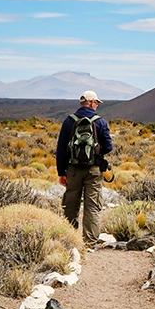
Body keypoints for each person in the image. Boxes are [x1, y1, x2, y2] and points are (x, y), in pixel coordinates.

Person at [56, 90, 113, 245]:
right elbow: (108, 146)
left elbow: (61, 149)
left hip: (72, 170)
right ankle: (89, 243)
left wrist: (62, 172)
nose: (97, 106)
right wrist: (96, 151)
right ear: (92, 102)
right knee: (92, 206)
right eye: (96, 103)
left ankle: (69, 240)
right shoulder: (100, 121)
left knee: (71, 205)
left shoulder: (69, 121)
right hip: (93, 170)